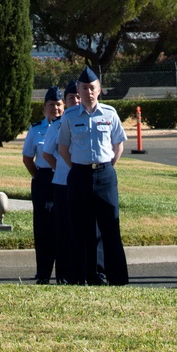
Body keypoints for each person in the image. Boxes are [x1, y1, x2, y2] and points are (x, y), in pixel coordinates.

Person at [56, 65, 128, 286]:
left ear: (99, 90)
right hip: (79, 175)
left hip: (105, 175)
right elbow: (63, 148)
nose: (88, 92)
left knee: (110, 228)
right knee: (79, 229)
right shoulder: (69, 116)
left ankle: (116, 278)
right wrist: (79, 167)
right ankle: (80, 277)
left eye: (92, 88)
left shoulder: (109, 113)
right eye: (84, 88)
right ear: (78, 90)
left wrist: (106, 167)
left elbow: (119, 145)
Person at [23, 87, 64, 283]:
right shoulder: (36, 128)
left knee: (63, 227)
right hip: (45, 179)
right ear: (44, 107)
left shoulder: (67, 124)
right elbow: (28, 158)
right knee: (43, 228)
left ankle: (64, 273)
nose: (55, 108)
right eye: (51, 105)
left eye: (58, 104)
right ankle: (43, 274)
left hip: (64, 179)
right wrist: (39, 178)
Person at [41, 80, 80, 284]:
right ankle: (64, 274)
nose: (75, 101)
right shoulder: (57, 124)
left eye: (77, 97)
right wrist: (62, 169)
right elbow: (47, 154)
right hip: (63, 184)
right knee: (64, 230)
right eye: (71, 98)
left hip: (84, 183)